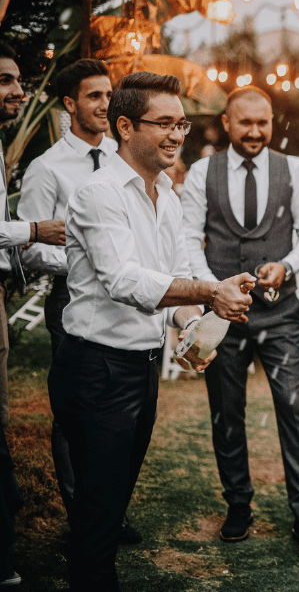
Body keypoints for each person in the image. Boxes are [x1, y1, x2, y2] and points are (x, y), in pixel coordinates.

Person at [49, 71, 253, 591]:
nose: (176, 135)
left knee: (112, 506)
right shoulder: (98, 193)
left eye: (181, 123)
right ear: (124, 126)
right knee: (98, 518)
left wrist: (196, 325)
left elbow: (184, 263)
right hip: (95, 369)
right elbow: (125, 281)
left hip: (140, 369)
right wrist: (209, 294)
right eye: (163, 123)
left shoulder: (167, 190)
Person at [179, 87, 299, 557]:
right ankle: (238, 504)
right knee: (226, 412)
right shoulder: (202, 172)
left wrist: (286, 265)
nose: (256, 132)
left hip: (281, 313)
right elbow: (187, 238)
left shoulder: (295, 169)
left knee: (293, 407)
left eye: (263, 122)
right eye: (246, 123)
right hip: (223, 318)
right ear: (227, 122)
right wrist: (213, 291)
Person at [17, 58, 147, 544]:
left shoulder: (123, 156)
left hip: (130, 295)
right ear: (69, 103)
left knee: (126, 414)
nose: (105, 104)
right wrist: (89, 261)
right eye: (94, 96)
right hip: (73, 299)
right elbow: (29, 251)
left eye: (109, 94)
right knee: (78, 411)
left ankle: (107, 509)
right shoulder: (46, 168)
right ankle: (82, 514)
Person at [0, 41, 66, 588]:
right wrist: (34, 231)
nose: (19, 92)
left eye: (18, 81)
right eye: (5, 81)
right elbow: (27, 235)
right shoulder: (49, 167)